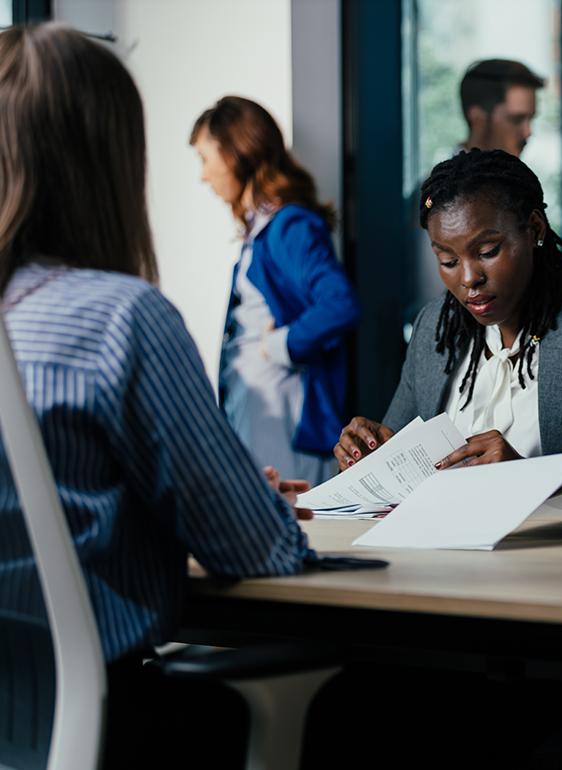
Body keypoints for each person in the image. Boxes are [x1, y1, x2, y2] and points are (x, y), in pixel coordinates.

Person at [0, 24, 319, 767]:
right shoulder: (119, 316)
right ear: (108, 163)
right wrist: (245, 502)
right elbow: (261, 550)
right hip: (97, 730)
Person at [336, 148, 562, 506]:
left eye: (488, 251)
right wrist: (370, 459)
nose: (468, 278)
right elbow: (396, 454)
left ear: (534, 229)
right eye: (447, 259)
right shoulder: (435, 327)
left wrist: (527, 478)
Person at [191, 96, 360, 485]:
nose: (203, 175)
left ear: (235, 154)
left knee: (293, 526)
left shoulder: (290, 226)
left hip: (287, 421)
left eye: (205, 158)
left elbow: (340, 304)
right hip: (260, 416)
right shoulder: (263, 229)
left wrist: (280, 344)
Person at [459, 58, 545, 156]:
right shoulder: (447, 171)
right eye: (516, 120)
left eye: (531, 119)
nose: (528, 132)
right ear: (477, 118)